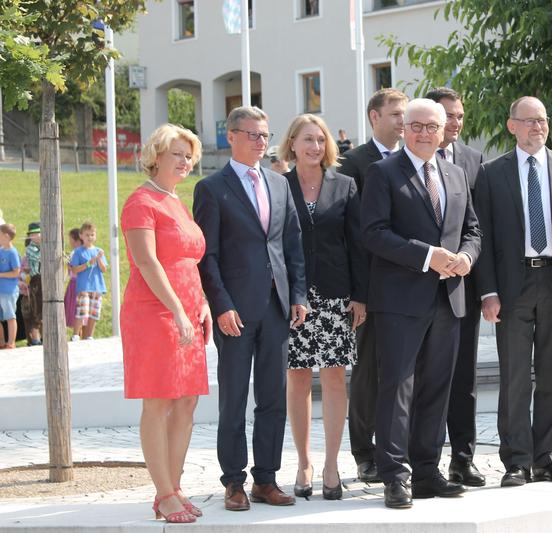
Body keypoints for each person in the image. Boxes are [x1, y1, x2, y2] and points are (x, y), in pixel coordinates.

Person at [361, 98, 480, 509]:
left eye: (433, 126)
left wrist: (466, 257)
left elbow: (472, 230)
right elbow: (373, 233)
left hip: (448, 300)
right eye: (417, 126)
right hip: (400, 301)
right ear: (404, 129)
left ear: (444, 128)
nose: (425, 133)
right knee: (397, 387)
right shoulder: (383, 173)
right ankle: (395, 475)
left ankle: (427, 471)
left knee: (436, 388)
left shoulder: (456, 173)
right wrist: (429, 256)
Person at [474, 96, 552, 488]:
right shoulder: (491, 174)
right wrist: (487, 291)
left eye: (542, 120)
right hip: (513, 285)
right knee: (514, 377)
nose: (537, 127)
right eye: (528, 121)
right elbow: (484, 238)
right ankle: (517, 461)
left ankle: (545, 456)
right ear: (512, 126)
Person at [193, 106, 307, 511]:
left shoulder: (279, 184)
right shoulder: (211, 188)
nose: (262, 142)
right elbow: (208, 257)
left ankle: (266, 480)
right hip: (235, 314)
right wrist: (220, 305)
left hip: (277, 308)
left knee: (273, 398)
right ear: (232, 136)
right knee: (235, 399)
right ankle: (234, 483)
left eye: (265, 135)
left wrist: (299, 295)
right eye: (254, 135)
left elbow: (292, 246)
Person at [119, 123, 211, 524]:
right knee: (158, 400)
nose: (185, 161)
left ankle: (172, 488)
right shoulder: (142, 201)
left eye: (189, 155)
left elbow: (189, 261)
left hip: (188, 309)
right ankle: (164, 492)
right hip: (154, 310)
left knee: (186, 400)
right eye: (177, 153)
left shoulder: (177, 201)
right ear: (155, 155)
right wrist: (175, 309)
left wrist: (202, 303)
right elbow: (147, 262)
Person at [279, 114, 368, 500]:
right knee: (297, 378)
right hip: (293, 297)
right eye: (307, 140)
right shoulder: (277, 186)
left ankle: (332, 463)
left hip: (335, 296)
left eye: (320, 140)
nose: (315, 146)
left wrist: (360, 294)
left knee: (334, 378)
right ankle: (303, 461)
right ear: (293, 144)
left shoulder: (345, 185)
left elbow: (359, 245)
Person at [338, 87, 408, 483]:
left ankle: (397, 449)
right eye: (395, 114)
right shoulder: (353, 164)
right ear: (374, 117)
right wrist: (356, 291)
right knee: (367, 373)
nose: (402, 121)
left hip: (408, 285)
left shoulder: (411, 160)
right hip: (369, 286)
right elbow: (350, 231)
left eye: (405, 114)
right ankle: (364, 452)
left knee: (401, 372)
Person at [423, 86, 486, 487]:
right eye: (449, 116)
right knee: (423, 380)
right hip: (417, 291)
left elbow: (479, 227)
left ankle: (463, 459)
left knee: (463, 379)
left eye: (460, 116)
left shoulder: (472, 161)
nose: (456, 123)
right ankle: (420, 461)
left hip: (464, 291)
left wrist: (472, 267)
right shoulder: (408, 159)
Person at [69, 221, 108, 339]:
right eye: (87, 235)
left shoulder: (98, 251)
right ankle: (76, 335)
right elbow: (74, 270)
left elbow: (104, 269)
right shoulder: (78, 252)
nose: (90, 237)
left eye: (92, 235)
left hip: (97, 287)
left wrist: (99, 260)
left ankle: (89, 336)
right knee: (82, 310)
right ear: (81, 236)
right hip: (84, 287)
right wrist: (88, 264)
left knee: (94, 313)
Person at [0, 224, 21, 350]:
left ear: (6, 236)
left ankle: (11, 342)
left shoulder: (13, 253)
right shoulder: (1, 251)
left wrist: (1, 274)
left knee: (10, 316)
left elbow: (16, 272)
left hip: (9, 290)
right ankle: (2, 342)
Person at [22, 222, 42, 345]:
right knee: (37, 310)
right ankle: (35, 340)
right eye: (36, 234)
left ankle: (42, 338)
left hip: (45, 280)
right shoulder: (31, 249)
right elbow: (39, 257)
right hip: (36, 280)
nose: (39, 236)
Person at [65, 228, 84, 340]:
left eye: (71, 239)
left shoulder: (76, 252)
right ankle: (79, 333)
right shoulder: (78, 252)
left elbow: (72, 270)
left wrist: (68, 265)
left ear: (77, 240)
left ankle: (77, 334)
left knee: (77, 308)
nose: (70, 241)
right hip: (75, 283)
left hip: (76, 283)